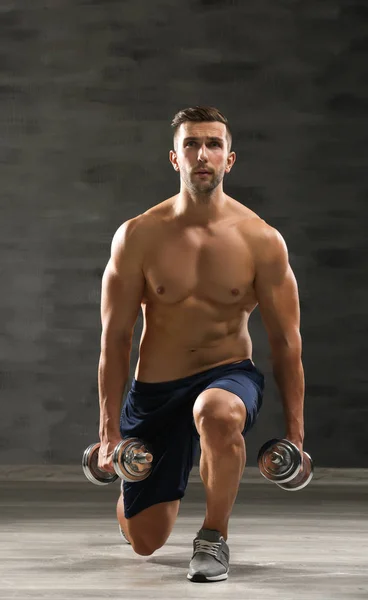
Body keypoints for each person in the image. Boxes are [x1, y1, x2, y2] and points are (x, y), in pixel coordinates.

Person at [97, 106, 305, 583]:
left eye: (214, 144)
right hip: (157, 389)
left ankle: (213, 538)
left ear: (230, 159)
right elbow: (116, 339)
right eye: (192, 144)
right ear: (175, 158)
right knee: (144, 540)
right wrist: (110, 435)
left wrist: (296, 435)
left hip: (226, 372)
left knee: (217, 413)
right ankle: (137, 496)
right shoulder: (138, 236)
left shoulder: (261, 240)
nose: (203, 154)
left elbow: (285, 341)